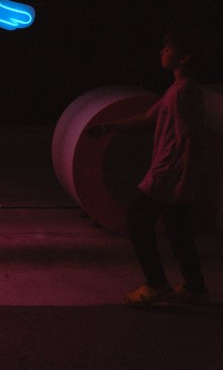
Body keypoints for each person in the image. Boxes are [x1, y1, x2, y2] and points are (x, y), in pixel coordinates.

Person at [86, 31, 210, 306]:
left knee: (137, 220)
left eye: (167, 50)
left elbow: (191, 138)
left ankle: (156, 284)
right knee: (179, 234)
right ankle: (195, 288)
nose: (161, 53)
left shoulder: (182, 93)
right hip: (172, 172)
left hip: (168, 173)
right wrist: (108, 127)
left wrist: (183, 182)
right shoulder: (181, 89)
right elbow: (148, 117)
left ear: (183, 58)